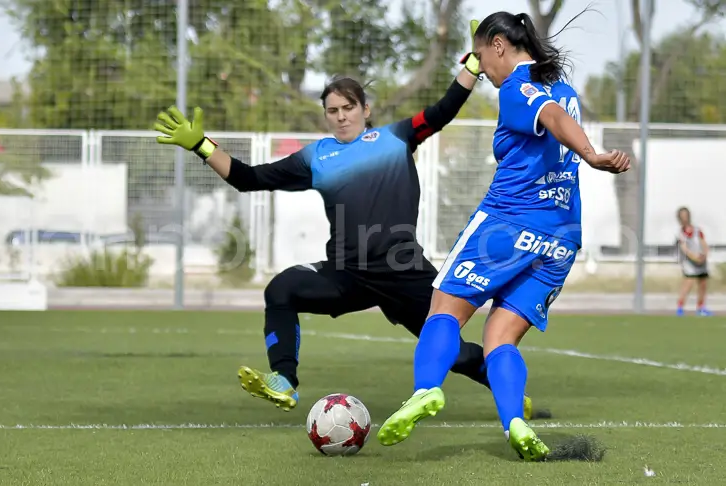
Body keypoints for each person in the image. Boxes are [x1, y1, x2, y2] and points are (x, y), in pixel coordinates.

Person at [151, 22, 548, 420]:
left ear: (365, 110)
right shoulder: (316, 157)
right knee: (281, 290)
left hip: (402, 270)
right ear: (326, 115)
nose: (341, 117)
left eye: (348, 108)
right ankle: (284, 380)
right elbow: (248, 178)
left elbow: (442, 111)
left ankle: (512, 395)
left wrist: (474, 66)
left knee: (455, 353)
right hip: (347, 273)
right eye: (333, 111)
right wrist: (201, 145)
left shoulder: (395, 139)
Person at [376, 11, 630, 462]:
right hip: (560, 239)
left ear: (499, 45)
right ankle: (514, 420)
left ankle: (425, 389)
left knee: (444, 311)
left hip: (508, 225)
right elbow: (556, 111)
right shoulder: (563, 87)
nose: (483, 71)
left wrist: (591, 155)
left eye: (481, 57)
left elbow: (549, 116)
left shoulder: (517, 87)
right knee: (500, 339)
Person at [676, 206, 712, 316]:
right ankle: (680, 307)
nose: (684, 218)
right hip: (689, 262)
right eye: (682, 216)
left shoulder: (697, 230)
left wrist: (704, 254)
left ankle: (700, 307)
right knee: (688, 283)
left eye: (686, 216)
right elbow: (685, 249)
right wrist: (694, 258)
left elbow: (703, 243)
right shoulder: (681, 233)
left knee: (702, 284)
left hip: (701, 260)